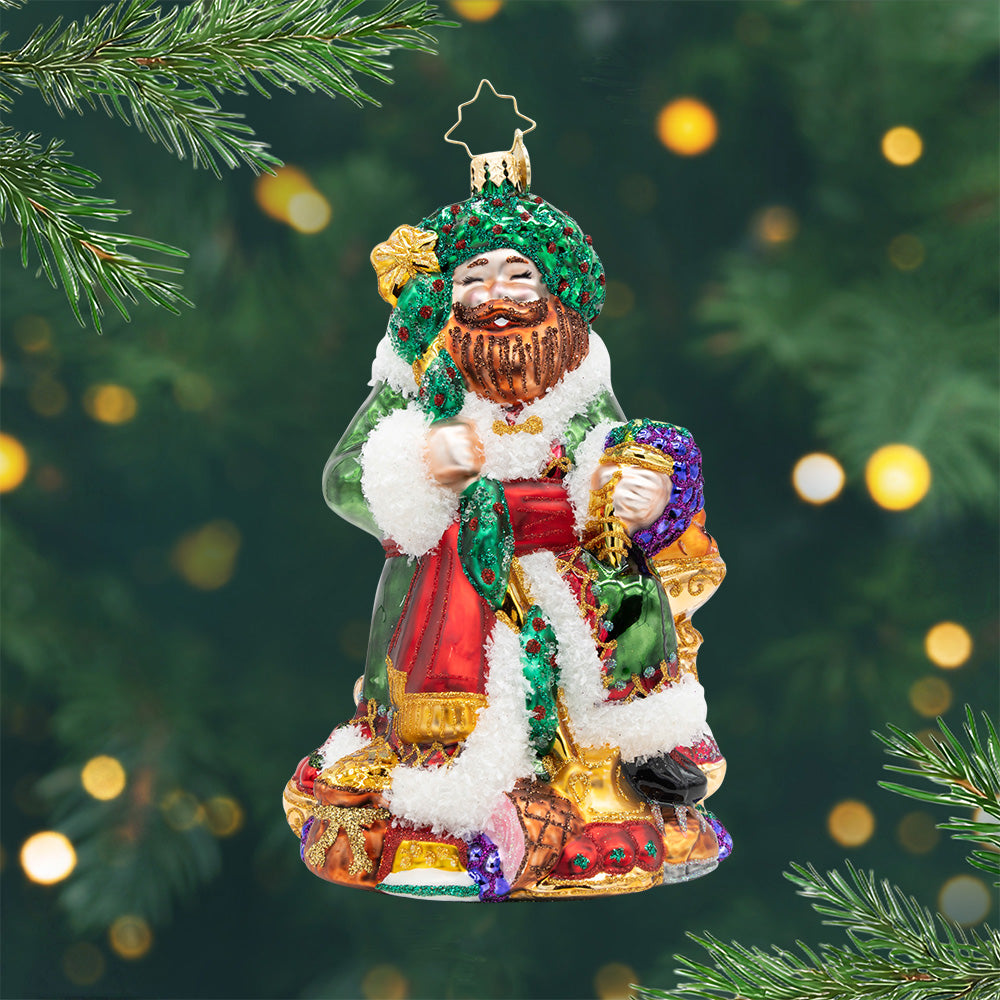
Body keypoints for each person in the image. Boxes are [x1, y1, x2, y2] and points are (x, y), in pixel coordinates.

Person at [282, 122, 730, 900]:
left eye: (519, 276)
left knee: (615, 614)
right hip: (460, 579)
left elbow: (613, 449)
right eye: (474, 278)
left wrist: (636, 486)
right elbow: (347, 479)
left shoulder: (577, 377)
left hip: (572, 552)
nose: (497, 298)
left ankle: (640, 753)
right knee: (488, 687)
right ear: (445, 295)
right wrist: (421, 466)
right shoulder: (418, 383)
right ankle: (459, 804)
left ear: (552, 291)